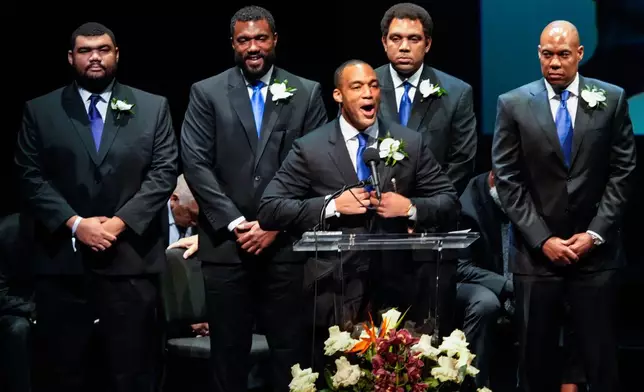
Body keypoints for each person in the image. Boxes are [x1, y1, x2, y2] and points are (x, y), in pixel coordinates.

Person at [257, 59, 459, 372]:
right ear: (338, 95)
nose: (368, 93)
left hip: (397, 290)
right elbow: (269, 209)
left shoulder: (411, 143)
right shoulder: (311, 148)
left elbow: (449, 203)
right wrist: (332, 205)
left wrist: (410, 207)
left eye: (373, 85)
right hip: (333, 294)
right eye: (357, 87)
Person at [13, 22, 178, 392]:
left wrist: (118, 224)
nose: (95, 57)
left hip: (131, 262)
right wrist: (76, 224)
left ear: (117, 54)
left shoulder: (152, 107)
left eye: (103, 49)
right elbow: (29, 176)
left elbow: (164, 172)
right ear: (71, 58)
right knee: (64, 372)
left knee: (132, 373)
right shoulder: (40, 110)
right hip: (63, 266)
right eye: (85, 51)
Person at [179, 5, 328, 392]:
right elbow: (195, 163)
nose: (253, 47)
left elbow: (314, 166)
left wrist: (273, 225)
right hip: (226, 246)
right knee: (228, 356)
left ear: (275, 40)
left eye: (261, 38)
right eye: (244, 40)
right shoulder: (206, 91)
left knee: (289, 355)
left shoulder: (307, 92)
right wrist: (235, 222)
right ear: (233, 44)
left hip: (285, 248)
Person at [491, 20, 636, 392]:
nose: (554, 62)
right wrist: (543, 240)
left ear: (580, 54)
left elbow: (623, 172)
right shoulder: (513, 104)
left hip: (596, 257)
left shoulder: (612, 98)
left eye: (563, 54)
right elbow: (508, 179)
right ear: (539, 54)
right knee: (535, 363)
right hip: (536, 258)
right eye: (547, 54)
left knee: (601, 361)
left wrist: (594, 234)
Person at [456, 171, 585, 391]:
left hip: (530, 284)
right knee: (488, 304)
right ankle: (472, 385)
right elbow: (462, 268)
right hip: (488, 286)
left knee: (569, 292)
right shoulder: (470, 205)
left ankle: (567, 381)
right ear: (494, 180)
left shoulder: (537, 203)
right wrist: (510, 286)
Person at [375, 2, 476, 196]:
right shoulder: (362, 87)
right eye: (396, 38)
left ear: (427, 44)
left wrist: (422, 209)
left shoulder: (457, 93)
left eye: (414, 39)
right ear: (384, 42)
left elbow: (461, 163)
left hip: (431, 216)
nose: (404, 47)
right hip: (372, 213)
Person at [0, 213, 34, 392]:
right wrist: (33, 309)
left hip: (57, 300)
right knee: (18, 329)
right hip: (16, 307)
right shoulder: (6, 231)